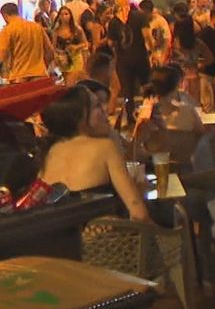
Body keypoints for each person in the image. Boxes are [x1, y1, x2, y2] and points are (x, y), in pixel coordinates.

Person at [40, 86, 151, 222]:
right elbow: (138, 212)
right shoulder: (105, 147)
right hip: (100, 234)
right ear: (80, 117)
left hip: (55, 234)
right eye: (97, 106)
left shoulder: (49, 151)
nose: (105, 109)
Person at [106, 0, 152, 122]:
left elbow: (110, 43)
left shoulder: (114, 21)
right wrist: (152, 49)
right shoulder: (140, 16)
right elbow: (147, 35)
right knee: (146, 85)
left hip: (123, 60)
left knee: (128, 90)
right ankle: (149, 113)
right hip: (141, 57)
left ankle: (130, 117)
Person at [0, 3, 54, 82]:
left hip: (19, 77)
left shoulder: (7, 31)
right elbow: (50, 52)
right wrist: (43, 65)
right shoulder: (37, 27)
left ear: (4, 15)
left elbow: (1, 56)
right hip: (40, 74)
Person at [52, 6, 88, 82]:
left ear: (70, 15)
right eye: (61, 14)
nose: (64, 16)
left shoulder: (77, 29)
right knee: (65, 81)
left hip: (76, 57)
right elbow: (53, 47)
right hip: (63, 59)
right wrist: (56, 57)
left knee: (74, 80)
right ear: (59, 16)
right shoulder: (56, 31)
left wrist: (76, 47)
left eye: (66, 14)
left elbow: (85, 43)